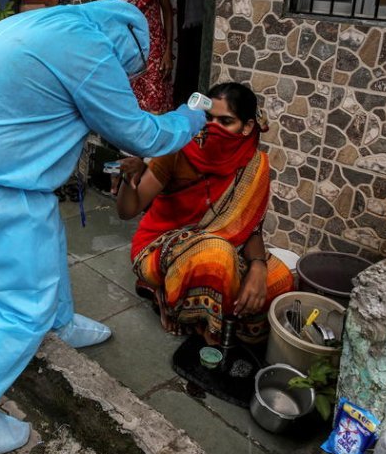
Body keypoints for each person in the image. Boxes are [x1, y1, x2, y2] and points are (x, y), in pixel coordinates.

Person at [0, 0, 207, 454]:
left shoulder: (41, 21)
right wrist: (192, 117)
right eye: (127, 66)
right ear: (128, 39)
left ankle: (61, 322)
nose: (124, 74)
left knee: (48, 238)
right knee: (21, 308)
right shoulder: (91, 48)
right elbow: (141, 135)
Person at [116, 83, 295, 342]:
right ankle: (166, 293)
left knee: (280, 280)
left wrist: (258, 266)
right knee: (216, 256)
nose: (213, 128)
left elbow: (251, 229)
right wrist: (128, 180)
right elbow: (127, 211)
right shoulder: (177, 150)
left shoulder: (255, 165)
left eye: (225, 121)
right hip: (158, 248)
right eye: (208, 118)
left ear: (246, 127)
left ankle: (220, 311)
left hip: (218, 247)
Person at [91, 0, 177, 114]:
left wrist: (167, 52)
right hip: (123, 56)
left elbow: (167, 14)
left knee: (155, 107)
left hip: (154, 54)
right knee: (127, 108)